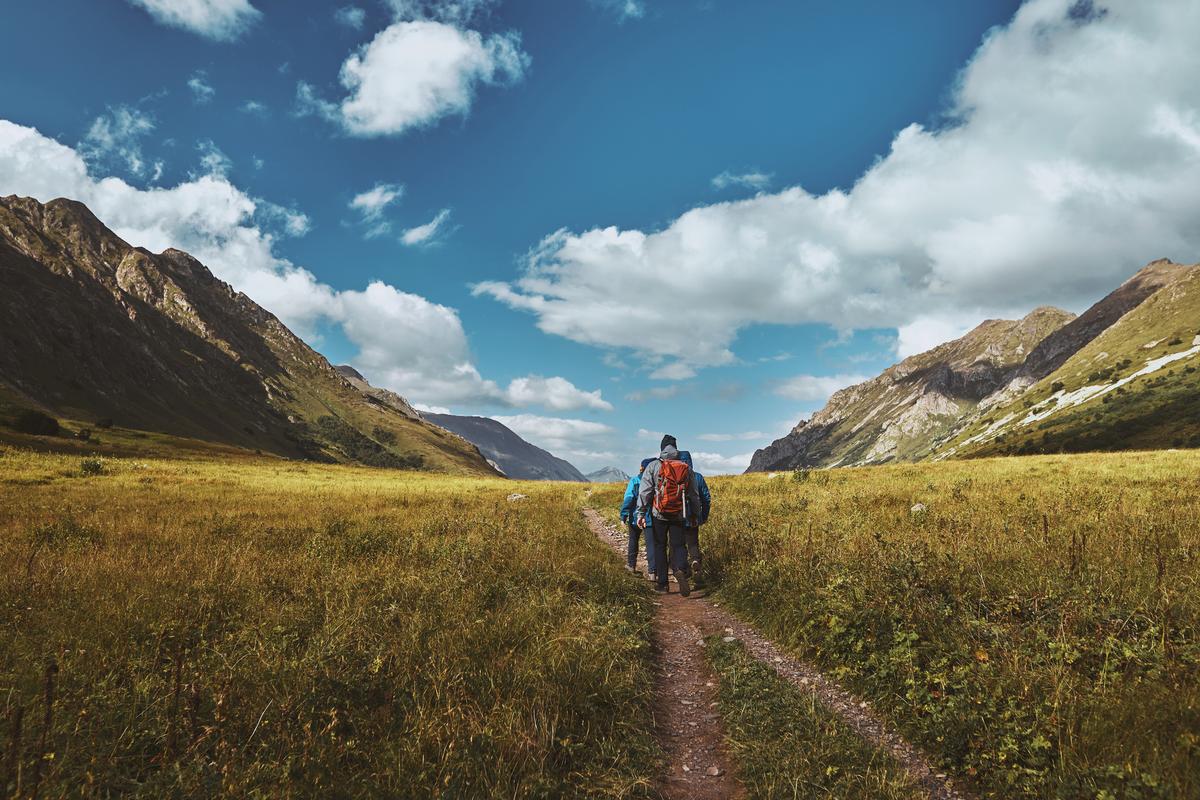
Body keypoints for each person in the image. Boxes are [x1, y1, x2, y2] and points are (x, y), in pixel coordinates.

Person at [637, 434, 700, 596]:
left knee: (659, 546)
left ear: (662, 448)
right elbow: (694, 494)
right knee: (678, 545)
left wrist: (641, 513)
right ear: (676, 448)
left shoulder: (653, 466)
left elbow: (645, 492)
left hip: (659, 514)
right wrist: (695, 515)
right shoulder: (686, 468)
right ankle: (680, 568)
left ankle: (662, 584)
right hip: (679, 513)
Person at [677, 451, 711, 587]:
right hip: (693, 517)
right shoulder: (698, 477)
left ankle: (683, 571)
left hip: (676, 517)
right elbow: (706, 499)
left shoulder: (674, 476)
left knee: (678, 545)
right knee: (693, 544)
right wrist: (703, 516)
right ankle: (695, 562)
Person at [620, 458, 656, 575]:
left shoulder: (635, 480)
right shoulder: (656, 481)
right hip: (650, 518)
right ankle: (652, 572)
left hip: (635, 517)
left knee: (633, 540)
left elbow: (629, 498)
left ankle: (631, 565)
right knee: (651, 544)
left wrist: (624, 514)